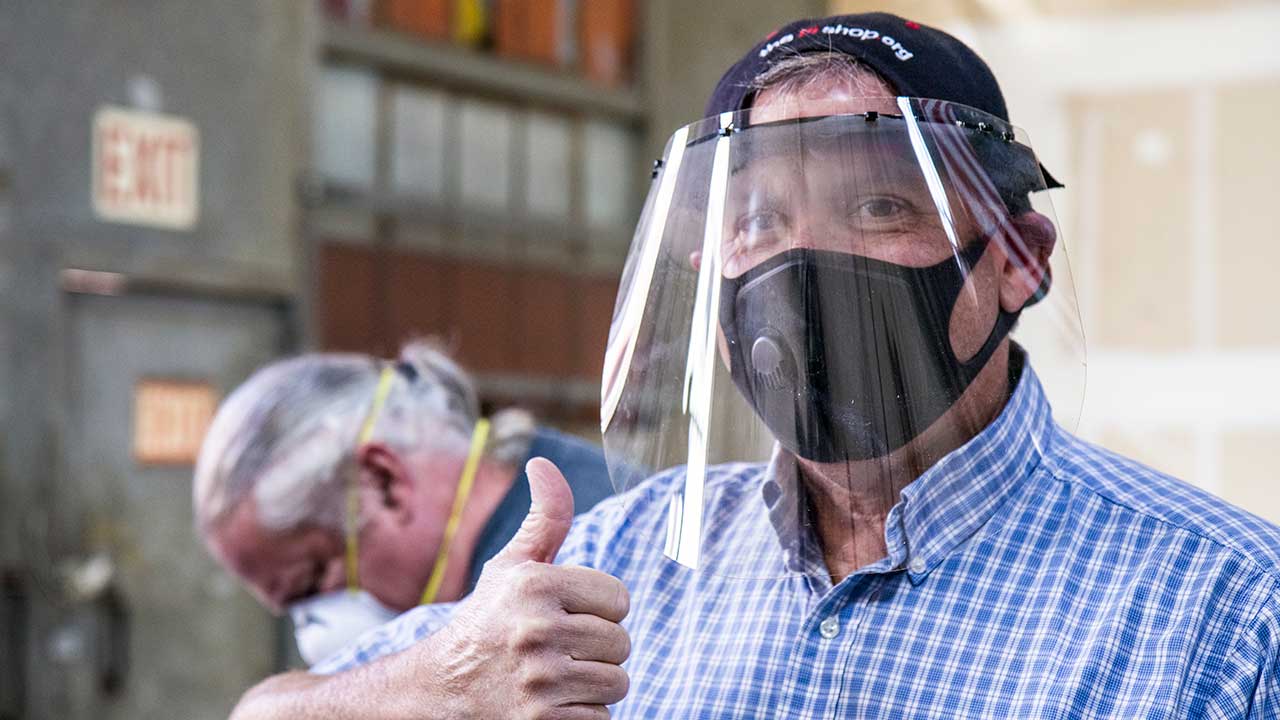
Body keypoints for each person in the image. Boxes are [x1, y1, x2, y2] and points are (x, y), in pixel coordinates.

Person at [226, 12, 1280, 719]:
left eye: (878, 206)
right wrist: (443, 683)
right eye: (756, 221)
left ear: (1017, 258)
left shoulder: (1226, 614)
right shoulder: (618, 564)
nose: (799, 264)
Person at [193, 340, 614, 666]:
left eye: (311, 584)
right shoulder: (549, 471)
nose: (314, 635)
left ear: (384, 482)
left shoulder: (568, 567)